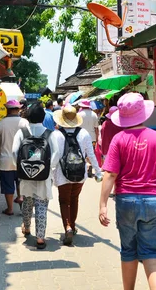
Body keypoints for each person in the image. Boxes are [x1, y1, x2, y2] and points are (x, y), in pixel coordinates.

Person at [99, 93, 156, 290]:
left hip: (126, 201)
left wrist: (103, 205)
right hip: (155, 200)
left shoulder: (118, 139)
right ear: (143, 114)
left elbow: (110, 175)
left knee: (128, 251)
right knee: (153, 253)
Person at [12, 102, 61, 249]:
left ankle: (26, 228)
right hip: (43, 177)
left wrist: (20, 167)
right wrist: (47, 168)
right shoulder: (49, 133)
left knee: (27, 203)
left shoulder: (22, 132)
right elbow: (57, 153)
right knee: (41, 205)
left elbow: (14, 152)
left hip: (26, 176)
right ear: (43, 117)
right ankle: (40, 238)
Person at [53, 105, 102, 245]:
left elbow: (55, 156)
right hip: (80, 173)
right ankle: (73, 226)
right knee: (74, 199)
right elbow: (90, 155)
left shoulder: (56, 134)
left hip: (63, 172)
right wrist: (98, 171)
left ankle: (67, 227)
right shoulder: (84, 134)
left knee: (64, 201)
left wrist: (50, 173)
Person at [0, 100, 28, 216]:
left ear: (7, 109)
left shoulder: (1, 124)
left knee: (8, 185)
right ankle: (21, 197)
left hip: (5, 160)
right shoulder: (24, 123)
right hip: (21, 160)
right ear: (19, 109)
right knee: (20, 182)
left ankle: (10, 209)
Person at [78, 99, 100, 177]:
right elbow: (96, 128)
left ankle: (85, 168)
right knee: (91, 153)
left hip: (81, 137)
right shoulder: (94, 114)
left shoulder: (79, 115)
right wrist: (97, 138)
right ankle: (89, 165)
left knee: (82, 153)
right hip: (92, 138)